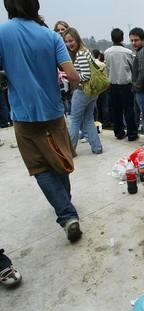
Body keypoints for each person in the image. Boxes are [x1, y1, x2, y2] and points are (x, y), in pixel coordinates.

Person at [0, 0, 82, 241]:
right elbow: (74, 76)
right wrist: (66, 89)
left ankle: (67, 214)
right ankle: (66, 205)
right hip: (54, 112)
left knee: (39, 167)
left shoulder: (3, 33)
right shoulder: (51, 36)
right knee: (60, 159)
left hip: (24, 116)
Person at [64, 27, 103, 154]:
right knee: (88, 120)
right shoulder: (86, 51)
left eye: (71, 41)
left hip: (82, 91)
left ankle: (70, 151)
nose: (69, 44)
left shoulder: (80, 54)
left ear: (76, 39)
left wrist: (71, 76)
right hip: (92, 92)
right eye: (67, 41)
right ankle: (97, 148)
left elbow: (86, 75)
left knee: (74, 120)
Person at [104, 28, 138, 140]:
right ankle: (132, 133)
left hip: (112, 85)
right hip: (126, 85)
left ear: (112, 38)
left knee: (116, 111)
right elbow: (133, 68)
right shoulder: (128, 53)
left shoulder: (107, 52)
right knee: (129, 110)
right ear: (122, 38)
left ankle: (119, 132)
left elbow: (107, 69)